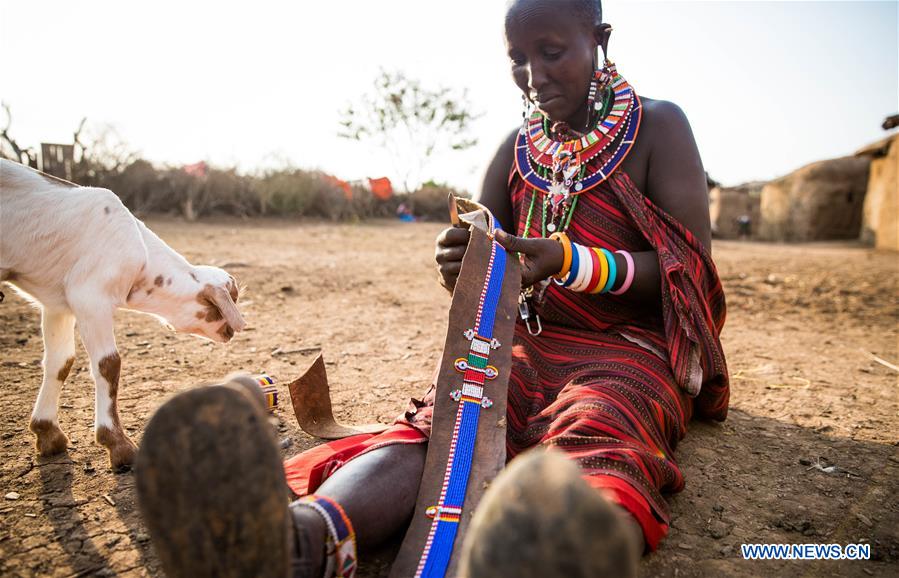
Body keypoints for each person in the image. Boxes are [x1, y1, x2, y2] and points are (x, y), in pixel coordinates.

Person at [136, 1, 729, 576]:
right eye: (517, 59)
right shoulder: (516, 148)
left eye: (551, 53)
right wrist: (464, 266)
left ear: (599, 41)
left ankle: (552, 560)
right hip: (524, 341)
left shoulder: (658, 127)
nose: (533, 76)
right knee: (452, 421)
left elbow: (689, 272)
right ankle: (299, 542)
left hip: (629, 347)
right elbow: (492, 262)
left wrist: (571, 261)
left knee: (599, 424)